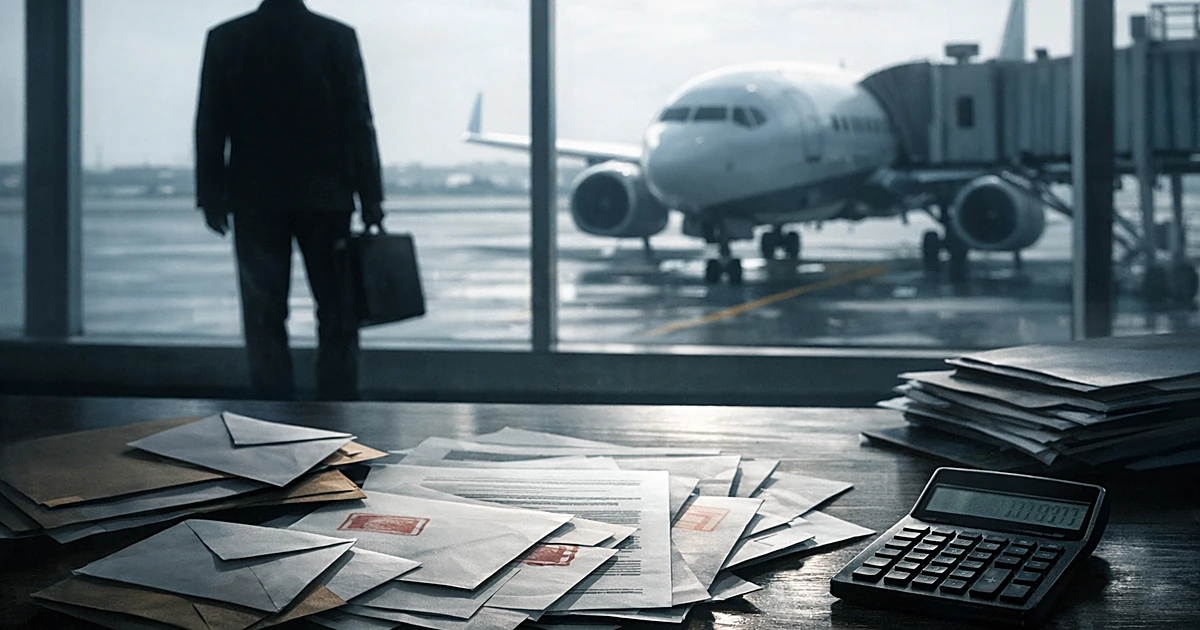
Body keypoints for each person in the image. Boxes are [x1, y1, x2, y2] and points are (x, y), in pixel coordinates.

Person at [194, 0, 384, 400]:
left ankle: (271, 409)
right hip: (327, 197)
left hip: (255, 197)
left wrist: (211, 195)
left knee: (264, 314)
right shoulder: (337, 37)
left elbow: (211, 123)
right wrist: (371, 197)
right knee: (337, 314)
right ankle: (337, 407)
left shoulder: (227, 38)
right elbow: (358, 122)